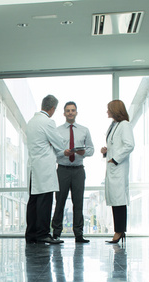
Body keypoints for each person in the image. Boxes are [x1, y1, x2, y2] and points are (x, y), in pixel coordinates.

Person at [24, 95, 67, 244]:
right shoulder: (48, 122)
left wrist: (49, 143)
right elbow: (60, 144)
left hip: (33, 168)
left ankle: (31, 234)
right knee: (44, 202)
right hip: (44, 169)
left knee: (33, 202)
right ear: (53, 109)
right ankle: (43, 234)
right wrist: (51, 143)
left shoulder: (31, 122)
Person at [51, 101, 94, 243]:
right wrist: (64, 152)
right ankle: (56, 233)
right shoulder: (57, 130)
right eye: (68, 110)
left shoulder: (84, 130)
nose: (70, 113)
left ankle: (79, 234)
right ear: (64, 113)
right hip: (62, 170)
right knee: (60, 202)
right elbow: (54, 151)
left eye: (73, 110)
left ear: (76, 112)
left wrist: (83, 152)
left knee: (78, 202)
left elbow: (91, 150)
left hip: (78, 170)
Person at [100, 100, 134, 245]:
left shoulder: (124, 125)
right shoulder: (114, 125)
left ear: (115, 110)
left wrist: (114, 158)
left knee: (119, 201)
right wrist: (107, 152)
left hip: (118, 168)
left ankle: (119, 231)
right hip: (113, 168)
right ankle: (119, 230)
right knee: (115, 201)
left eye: (108, 109)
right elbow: (116, 145)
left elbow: (129, 145)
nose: (107, 111)